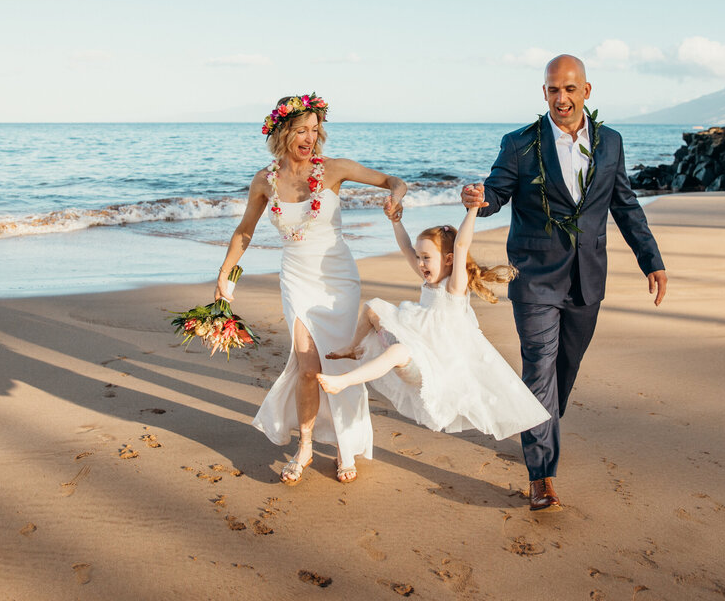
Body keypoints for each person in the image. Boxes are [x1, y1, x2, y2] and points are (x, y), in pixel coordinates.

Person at [461, 54, 668, 511]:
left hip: (587, 278)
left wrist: (650, 260)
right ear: (544, 93)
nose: (562, 98)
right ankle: (542, 476)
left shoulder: (610, 143)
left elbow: (625, 205)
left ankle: (539, 425)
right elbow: (497, 190)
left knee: (564, 371)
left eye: (570, 89)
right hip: (534, 276)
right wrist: (480, 199)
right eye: (553, 89)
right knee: (538, 368)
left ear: (586, 92)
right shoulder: (519, 143)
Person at [216, 93, 407, 485]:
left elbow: (393, 180)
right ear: (283, 131)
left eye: (315, 130)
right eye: (301, 129)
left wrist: (395, 197)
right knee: (307, 366)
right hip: (296, 279)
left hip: (338, 279)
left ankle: (343, 445)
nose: (309, 137)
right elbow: (245, 230)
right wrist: (224, 274)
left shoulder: (334, 169)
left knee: (339, 363)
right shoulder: (264, 181)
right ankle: (304, 444)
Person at [317, 205, 550, 442]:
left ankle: (342, 382)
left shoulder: (453, 288)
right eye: (419, 258)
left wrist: (472, 211)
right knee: (372, 306)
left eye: (426, 258)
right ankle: (354, 348)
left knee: (398, 351)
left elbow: (461, 245)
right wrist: (395, 221)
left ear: (449, 260)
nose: (420, 263)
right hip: (414, 343)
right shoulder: (429, 282)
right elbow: (406, 247)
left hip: (432, 368)